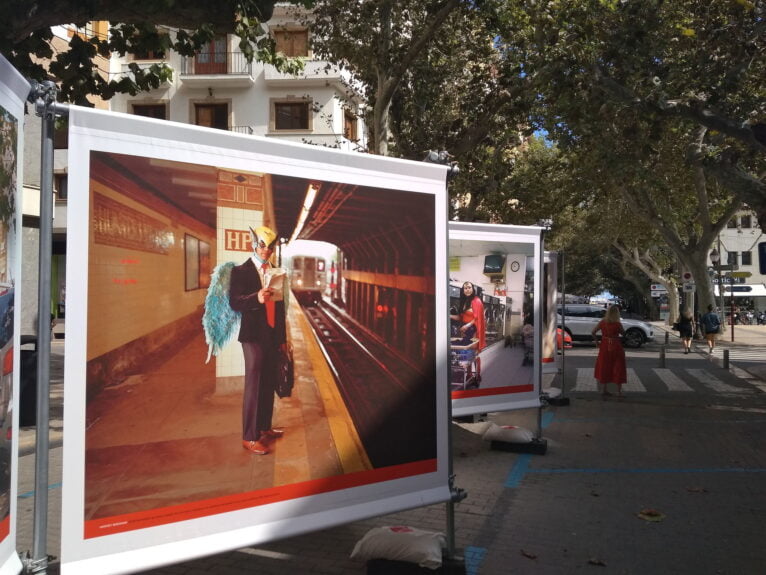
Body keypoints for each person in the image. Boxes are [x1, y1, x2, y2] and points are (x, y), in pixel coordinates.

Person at [229, 225, 287, 455]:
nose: (266, 250)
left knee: (268, 381)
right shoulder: (241, 271)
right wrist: (257, 298)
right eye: (262, 245)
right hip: (252, 335)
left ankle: (264, 427)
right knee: (254, 385)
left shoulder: (276, 272)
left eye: (270, 246)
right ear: (254, 244)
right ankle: (249, 437)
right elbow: (235, 302)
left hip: (272, 334)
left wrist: (282, 339)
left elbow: (280, 308)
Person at [450, 282, 486, 380]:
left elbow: (478, 317)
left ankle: (478, 374)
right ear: (463, 290)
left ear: (473, 289)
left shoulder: (476, 301)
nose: (467, 290)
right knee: (468, 352)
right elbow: (460, 317)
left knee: (474, 353)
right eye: (465, 288)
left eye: (469, 287)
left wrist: (467, 325)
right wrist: (449, 315)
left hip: (474, 330)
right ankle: (469, 374)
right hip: (466, 331)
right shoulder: (464, 301)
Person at [591, 304, 627, 398]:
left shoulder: (603, 322)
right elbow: (623, 334)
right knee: (618, 367)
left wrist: (597, 343)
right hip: (616, 346)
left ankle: (604, 390)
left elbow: (593, 332)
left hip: (604, 346)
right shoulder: (617, 324)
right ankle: (618, 392)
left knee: (604, 366)